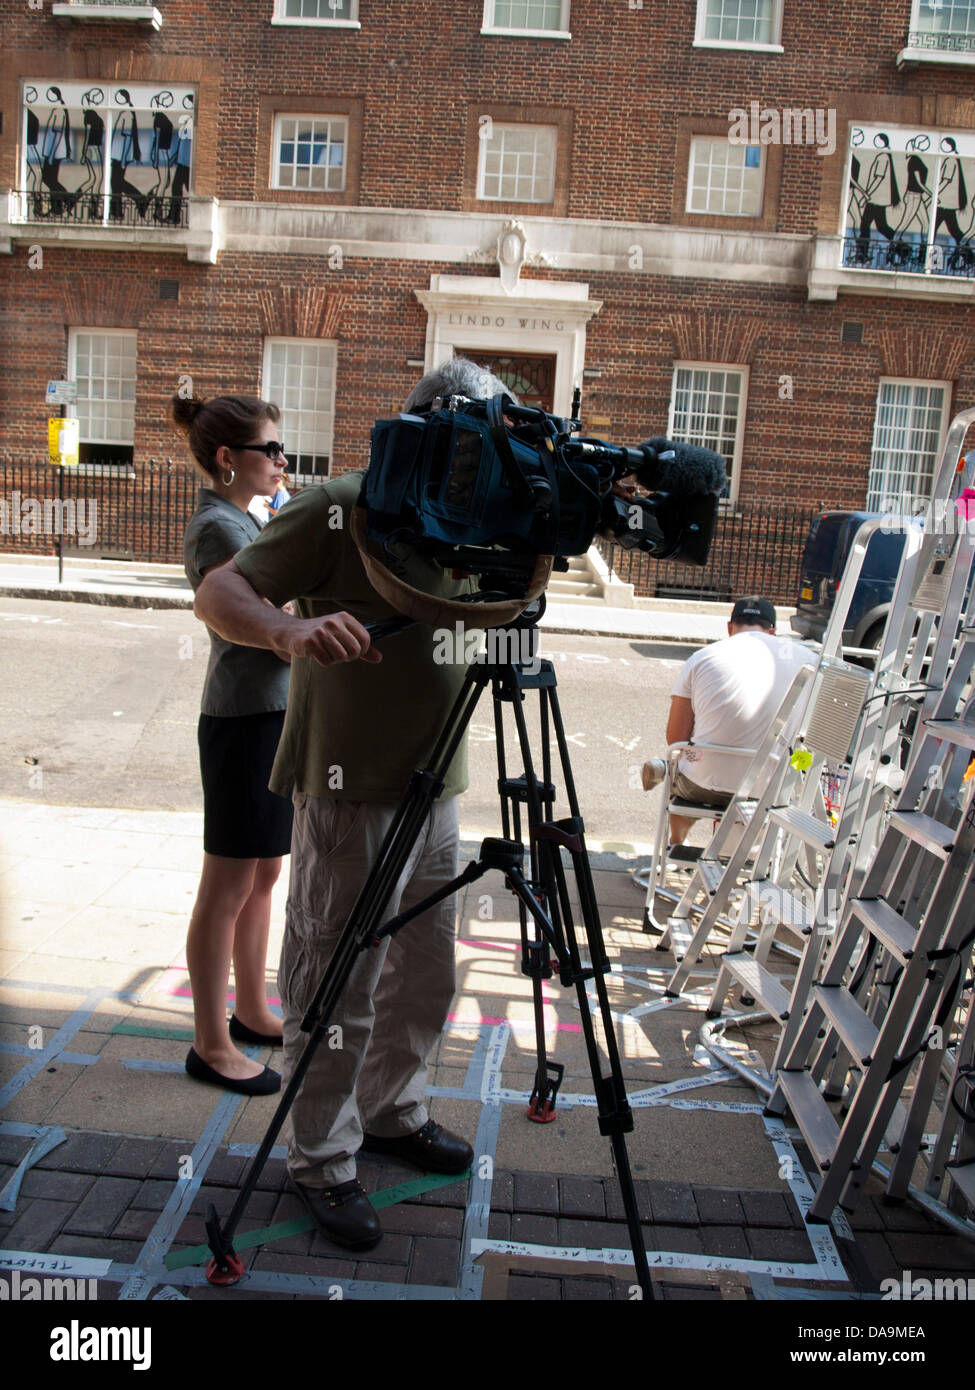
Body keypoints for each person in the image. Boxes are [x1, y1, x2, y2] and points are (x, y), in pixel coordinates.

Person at [193, 359, 512, 1252]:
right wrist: (290, 629)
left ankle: (392, 1113)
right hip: (348, 786)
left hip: (435, 781)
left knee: (424, 971)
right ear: (425, 436)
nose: (471, 472)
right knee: (338, 981)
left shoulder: (481, 511)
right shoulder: (341, 505)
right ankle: (322, 1159)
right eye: (461, 453)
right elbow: (221, 591)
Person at [174, 393, 294, 1098]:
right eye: (270, 450)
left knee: (264, 875)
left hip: (274, 713)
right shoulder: (217, 529)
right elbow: (275, 614)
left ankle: (251, 1008)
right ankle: (210, 1044)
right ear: (228, 458)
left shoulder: (251, 517)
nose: (282, 461)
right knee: (226, 883)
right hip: (242, 719)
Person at [643, 596, 818, 849]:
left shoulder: (702, 658)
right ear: (772, 631)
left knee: (680, 763)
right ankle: (741, 847)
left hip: (703, 783)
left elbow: (675, 739)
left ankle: (676, 843)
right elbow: (810, 735)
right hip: (770, 787)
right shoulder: (808, 661)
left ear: (729, 627)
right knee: (788, 765)